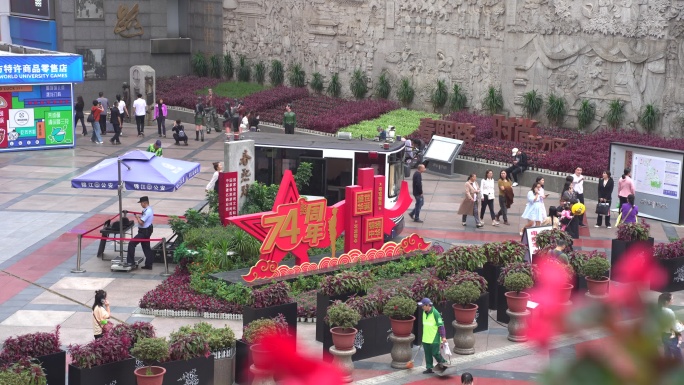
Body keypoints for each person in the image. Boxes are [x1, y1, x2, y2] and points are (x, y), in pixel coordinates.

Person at [417, 298, 448, 374]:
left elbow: (441, 326)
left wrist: (443, 336)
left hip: (434, 337)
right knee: (427, 354)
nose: (422, 307)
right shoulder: (424, 312)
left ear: (428, 305)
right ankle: (429, 368)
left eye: (423, 306)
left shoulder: (435, 313)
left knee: (435, 353)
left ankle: (443, 363)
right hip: (426, 337)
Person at [125, 196, 154, 269]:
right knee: (146, 247)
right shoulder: (147, 209)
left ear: (144, 203)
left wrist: (137, 217)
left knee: (132, 243)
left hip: (144, 231)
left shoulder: (148, 211)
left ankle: (130, 262)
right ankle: (149, 264)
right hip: (146, 230)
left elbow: (141, 223)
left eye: (141, 203)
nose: (141, 204)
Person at [658, 292, 683, 361]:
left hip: (663, 334)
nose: (673, 300)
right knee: (678, 355)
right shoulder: (669, 312)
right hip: (671, 335)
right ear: (666, 301)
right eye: (672, 299)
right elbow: (674, 326)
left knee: (667, 352)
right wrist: (681, 327)